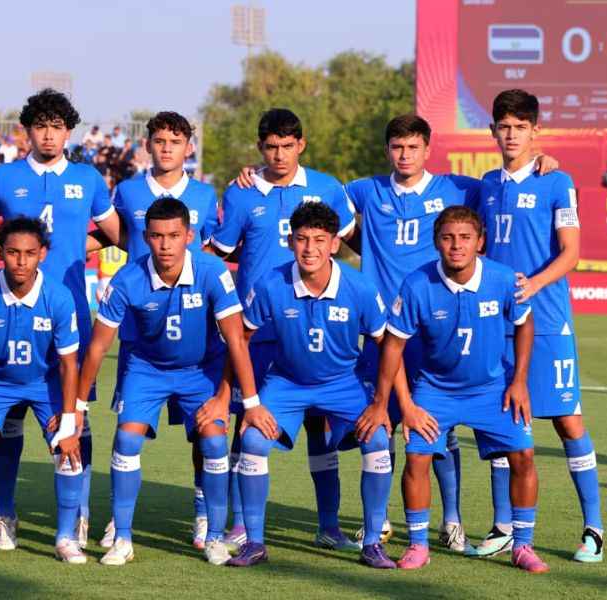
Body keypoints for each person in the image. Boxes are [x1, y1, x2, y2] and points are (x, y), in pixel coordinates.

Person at [234, 114, 559, 551]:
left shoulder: (459, 188)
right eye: (397, 148)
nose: (404, 156)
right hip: (382, 329)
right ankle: (380, 522)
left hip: (434, 321)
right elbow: (321, 206)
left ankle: (452, 518)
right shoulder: (364, 190)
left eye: (413, 147)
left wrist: (543, 162)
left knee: (435, 423)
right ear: (388, 150)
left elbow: (507, 184)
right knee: (383, 420)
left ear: (428, 148)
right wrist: (254, 175)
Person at [0, 88, 121, 551]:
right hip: (10, 311)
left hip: (68, 313)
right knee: (10, 419)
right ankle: (6, 514)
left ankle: (81, 513)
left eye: (57, 126)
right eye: (41, 126)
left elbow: (124, 235)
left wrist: (81, 248)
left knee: (77, 419)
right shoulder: (5, 177)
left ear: (68, 131)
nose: (49, 135)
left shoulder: (88, 179)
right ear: (28, 130)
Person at [78, 198, 258, 566]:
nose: (165, 244)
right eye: (157, 236)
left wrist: (244, 402)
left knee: (214, 441)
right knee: (126, 438)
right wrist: (77, 408)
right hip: (148, 368)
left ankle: (213, 537)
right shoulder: (128, 278)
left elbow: (236, 339)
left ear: (189, 236)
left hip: (202, 369)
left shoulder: (211, 270)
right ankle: (123, 538)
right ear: (145, 238)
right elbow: (97, 347)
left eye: (174, 235)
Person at [210, 108, 357, 551]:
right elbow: (220, 252)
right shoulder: (240, 193)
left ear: (301, 145)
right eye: (271, 146)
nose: (279, 154)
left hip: (312, 322)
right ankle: (241, 524)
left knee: (319, 426)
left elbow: (354, 241)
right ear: (260, 147)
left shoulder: (327, 187)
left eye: (287, 145)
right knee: (245, 422)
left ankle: (328, 526)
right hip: (255, 328)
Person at [227, 202, 398, 569]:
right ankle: (254, 542)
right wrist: (252, 403)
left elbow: (389, 346)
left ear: (335, 244)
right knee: (253, 440)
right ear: (290, 242)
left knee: (379, 440)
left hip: (343, 383)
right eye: (302, 239)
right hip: (286, 382)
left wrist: (382, 404)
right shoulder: (271, 282)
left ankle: (372, 544)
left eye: (320, 240)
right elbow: (239, 338)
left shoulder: (359, 287)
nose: (310, 249)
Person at [473, 89, 603, 562]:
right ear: (492, 131)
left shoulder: (557, 180)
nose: (511, 135)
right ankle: (503, 525)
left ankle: (593, 528)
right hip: (497, 325)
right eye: (503, 126)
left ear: (535, 130)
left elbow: (570, 252)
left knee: (568, 421)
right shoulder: (484, 184)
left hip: (546, 321)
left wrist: (532, 285)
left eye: (520, 127)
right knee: (502, 422)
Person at [378, 205, 545, 572]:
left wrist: (519, 381)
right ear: (436, 242)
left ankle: (523, 545)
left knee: (524, 456)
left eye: (465, 238)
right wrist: (405, 404)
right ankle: (419, 545)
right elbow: (393, 345)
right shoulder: (417, 283)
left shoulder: (502, 279)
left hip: (492, 388)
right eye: (448, 238)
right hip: (435, 390)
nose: (457, 246)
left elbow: (525, 323)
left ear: (480, 242)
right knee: (418, 457)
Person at [87, 111, 219, 550]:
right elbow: (112, 237)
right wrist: (57, 247)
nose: (166, 148)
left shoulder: (204, 193)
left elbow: (216, 248)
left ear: (189, 148)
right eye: (159, 140)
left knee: (205, 432)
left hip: (195, 333)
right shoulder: (126, 191)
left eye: (175, 141)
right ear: (147, 145)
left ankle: (204, 515)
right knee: (129, 430)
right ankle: (117, 521)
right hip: (141, 333)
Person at [0, 217, 85, 564]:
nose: (21, 261)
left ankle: (65, 538)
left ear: (42, 253)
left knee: (67, 452)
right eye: (13, 252)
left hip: (46, 385)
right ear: (0, 252)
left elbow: (69, 364)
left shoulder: (58, 297)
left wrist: (70, 423)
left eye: (29, 253)